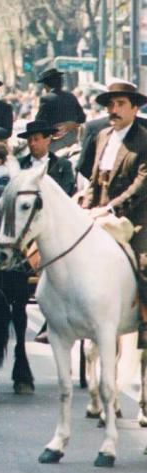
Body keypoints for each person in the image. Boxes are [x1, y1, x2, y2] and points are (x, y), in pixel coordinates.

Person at [80, 80, 147, 348]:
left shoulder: (144, 139)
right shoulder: (102, 137)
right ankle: (57, 320)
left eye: (120, 104)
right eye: (110, 104)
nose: (113, 110)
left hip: (135, 217)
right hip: (97, 211)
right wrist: (85, 208)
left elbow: (141, 186)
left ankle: (144, 321)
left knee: (143, 264)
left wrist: (109, 208)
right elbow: (94, 180)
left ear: (134, 108)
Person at [17, 120, 75, 195]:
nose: (32, 143)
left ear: (47, 140)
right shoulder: (19, 164)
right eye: (30, 140)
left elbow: (65, 193)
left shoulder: (63, 165)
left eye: (36, 139)